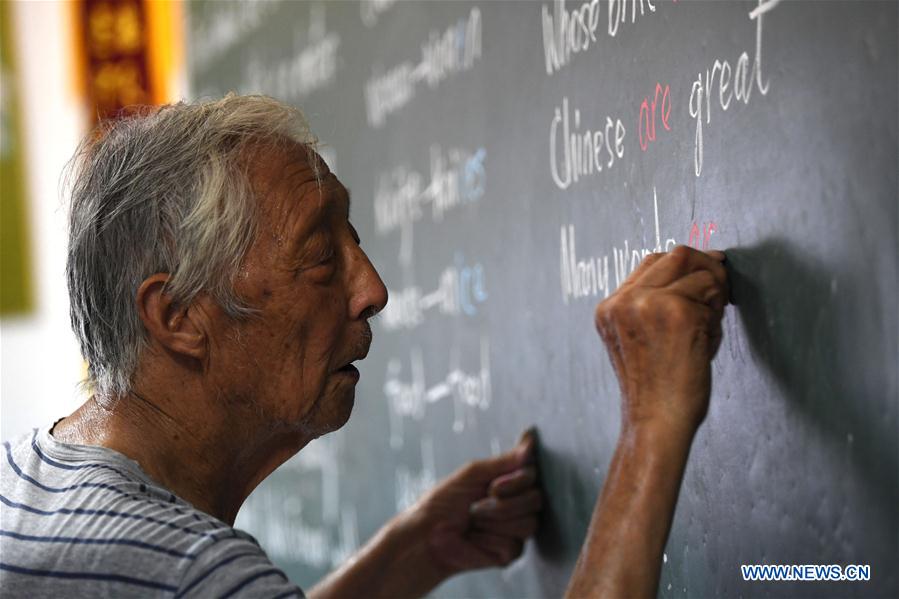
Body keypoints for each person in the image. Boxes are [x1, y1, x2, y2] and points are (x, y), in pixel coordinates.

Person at [0, 96, 728, 598]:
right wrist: (651, 426)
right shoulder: (184, 569)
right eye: (321, 255)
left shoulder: (25, 479)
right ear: (178, 314)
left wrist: (407, 557)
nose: (371, 288)